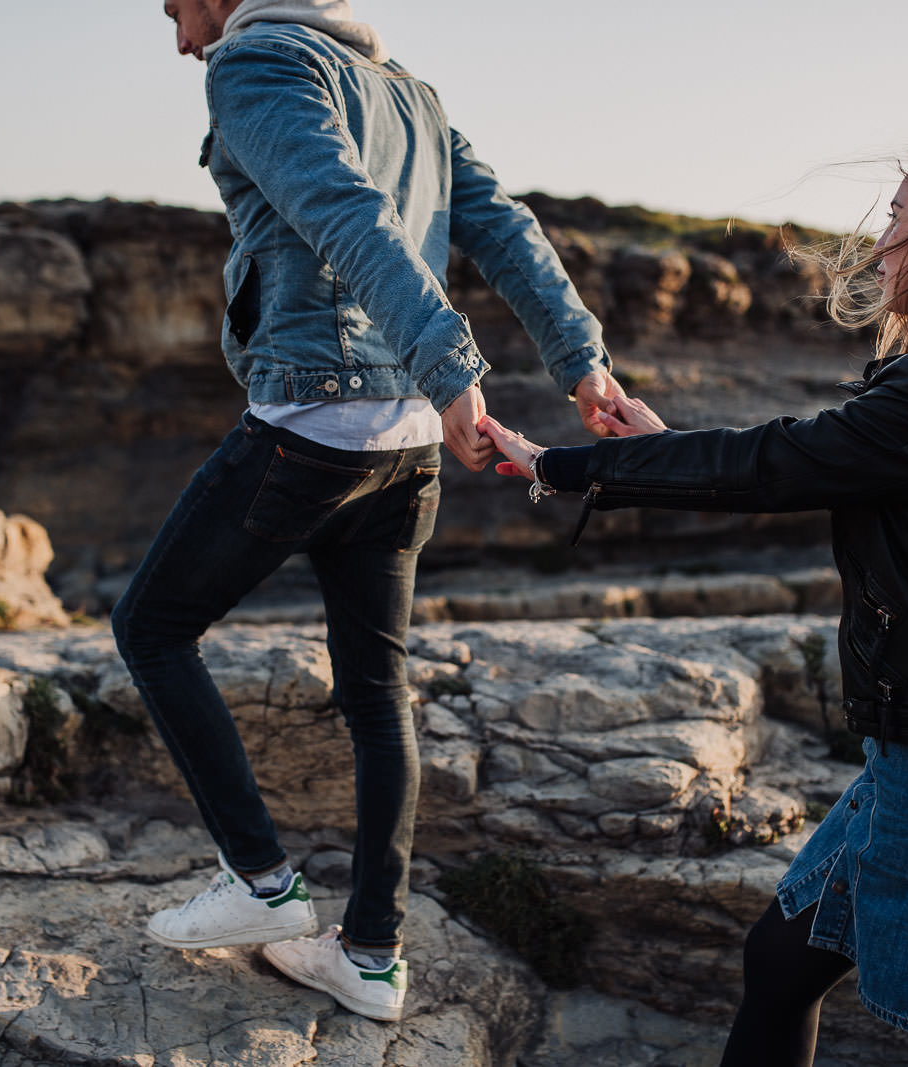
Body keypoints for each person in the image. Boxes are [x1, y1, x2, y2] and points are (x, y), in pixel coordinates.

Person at [482, 135, 908, 1066]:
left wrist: (564, 464)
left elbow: (769, 462)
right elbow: (804, 462)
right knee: (781, 961)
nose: (881, 242)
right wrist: (660, 448)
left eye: (898, 216)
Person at [112, 0, 624, 1025]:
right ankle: (372, 957)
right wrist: (585, 366)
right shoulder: (411, 95)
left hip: (315, 416)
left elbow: (346, 215)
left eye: (175, 9)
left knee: (151, 625)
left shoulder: (255, 64)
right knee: (376, 687)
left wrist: (451, 370)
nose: (180, 41)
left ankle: (259, 880)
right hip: (406, 448)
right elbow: (503, 228)